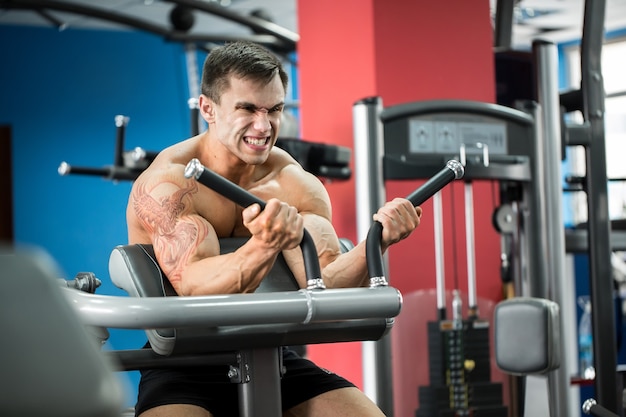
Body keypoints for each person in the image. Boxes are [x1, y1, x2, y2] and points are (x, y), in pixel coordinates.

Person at [126, 40, 422, 417]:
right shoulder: (170, 184)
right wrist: (264, 245)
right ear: (208, 109)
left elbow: (325, 283)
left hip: (273, 356)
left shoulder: (293, 182)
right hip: (183, 363)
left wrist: (376, 241)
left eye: (275, 109)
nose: (264, 126)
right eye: (247, 109)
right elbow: (196, 288)